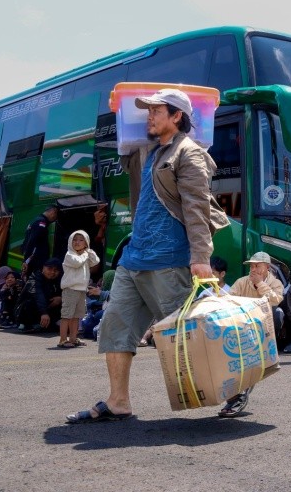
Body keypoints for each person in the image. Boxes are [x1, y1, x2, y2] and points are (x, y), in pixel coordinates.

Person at [65, 88, 229, 424]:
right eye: (147, 111)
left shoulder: (190, 153)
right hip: (134, 258)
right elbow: (128, 156)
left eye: (156, 111)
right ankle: (118, 401)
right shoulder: (147, 152)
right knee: (115, 325)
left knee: (187, 336)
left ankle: (234, 384)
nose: (149, 116)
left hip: (168, 259)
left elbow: (197, 207)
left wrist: (200, 255)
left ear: (176, 116)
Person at [229, 251, 286, 342]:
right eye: (251, 266)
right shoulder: (241, 282)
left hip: (265, 320)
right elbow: (229, 298)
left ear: (267, 267)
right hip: (246, 318)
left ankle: (271, 343)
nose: (253, 269)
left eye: (257, 266)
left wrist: (259, 283)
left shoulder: (276, 283)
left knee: (278, 313)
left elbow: (276, 300)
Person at [59, 230, 99, 349]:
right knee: (66, 315)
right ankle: (62, 339)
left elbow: (96, 261)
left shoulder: (84, 255)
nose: (77, 242)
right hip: (70, 289)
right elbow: (77, 263)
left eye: (81, 240)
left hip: (81, 289)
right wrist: (85, 254)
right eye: (75, 239)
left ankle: (73, 338)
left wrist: (89, 252)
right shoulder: (70, 255)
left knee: (76, 316)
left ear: (86, 243)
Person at [16, 258, 63, 333]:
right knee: (30, 303)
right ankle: (28, 324)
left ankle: (48, 324)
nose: (52, 272)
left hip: (47, 309)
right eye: (50, 269)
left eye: (56, 270)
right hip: (27, 310)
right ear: (43, 268)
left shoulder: (58, 280)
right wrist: (44, 313)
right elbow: (38, 295)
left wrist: (61, 298)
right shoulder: (35, 278)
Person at [21, 205, 58, 277]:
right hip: (36, 261)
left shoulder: (35, 220)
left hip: (32, 259)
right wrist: (26, 260)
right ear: (52, 211)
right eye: (56, 214)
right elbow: (33, 241)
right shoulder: (41, 222)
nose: (55, 217)